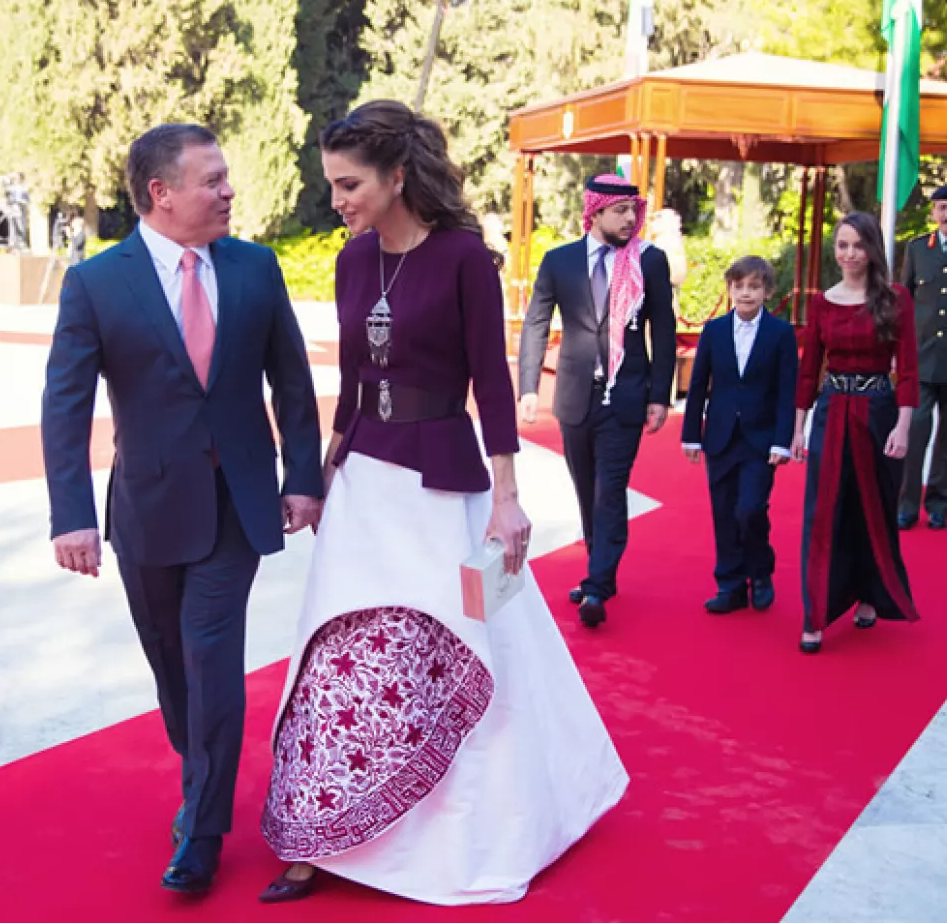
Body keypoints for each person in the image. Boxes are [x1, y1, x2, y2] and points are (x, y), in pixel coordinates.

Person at [258, 100, 628, 906]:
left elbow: (490, 382)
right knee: (337, 651)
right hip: (363, 488)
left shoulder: (465, 258)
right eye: (332, 185)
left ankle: (467, 836)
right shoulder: (352, 260)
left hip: (442, 491)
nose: (337, 200)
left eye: (350, 184)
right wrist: (324, 475)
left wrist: (508, 498)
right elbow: (353, 381)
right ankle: (323, 831)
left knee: (465, 642)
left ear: (397, 176)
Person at [40, 123, 323, 894]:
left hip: (237, 504)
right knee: (173, 667)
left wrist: (302, 475)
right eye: (213, 180)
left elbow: (292, 382)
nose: (229, 191)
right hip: (149, 508)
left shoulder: (256, 268)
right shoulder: (98, 283)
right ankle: (199, 768)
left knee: (211, 658)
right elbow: (65, 404)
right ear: (161, 193)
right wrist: (71, 513)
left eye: (226, 177)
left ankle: (202, 830)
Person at [517, 174, 677, 628]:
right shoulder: (560, 261)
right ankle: (598, 567)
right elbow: (536, 323)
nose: (630, 220)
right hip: (574, 395)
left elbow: (664, 329)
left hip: (625, 396)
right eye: (620, 211)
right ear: (595, 212)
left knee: (610, 490)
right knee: (587, 490)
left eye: (634, 211)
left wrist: (660, 396)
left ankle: (597, 585)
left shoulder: (649, 261)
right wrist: (529, 387)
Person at [791, 211, 920, 654]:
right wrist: (798, 428)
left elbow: (909, 369)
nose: (849, 254)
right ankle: (815, 615)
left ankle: (871, 595)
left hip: (880, 413)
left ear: (872, 249)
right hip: (832, 413)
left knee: (876, 508)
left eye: (858, 245)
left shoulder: (896, 299)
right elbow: (809, 371)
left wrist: (904, 425)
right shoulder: (822, 303)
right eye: (842, 245)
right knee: (824, 512)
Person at [681, 256, 798, 613]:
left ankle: (760, 572)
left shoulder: (781, 333)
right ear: (730, 289)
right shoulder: (714, 331)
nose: (746, 293)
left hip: (761, 440)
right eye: (739, 286)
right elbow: (698, 385)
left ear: (767, 292)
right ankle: (730, 585)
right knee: (723, 512)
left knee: (750, 509)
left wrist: (782, 440)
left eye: (754, 286)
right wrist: (691, 435)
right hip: (720, 436)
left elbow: (787, 391)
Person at [897, 181, 947, 531]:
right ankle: (906, 504)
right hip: (921, 360)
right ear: (933, 212)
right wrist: (898, 350)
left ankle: (940, 504)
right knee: (913, 432)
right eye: (942, 208)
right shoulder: (918, 249)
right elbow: (904, 302)